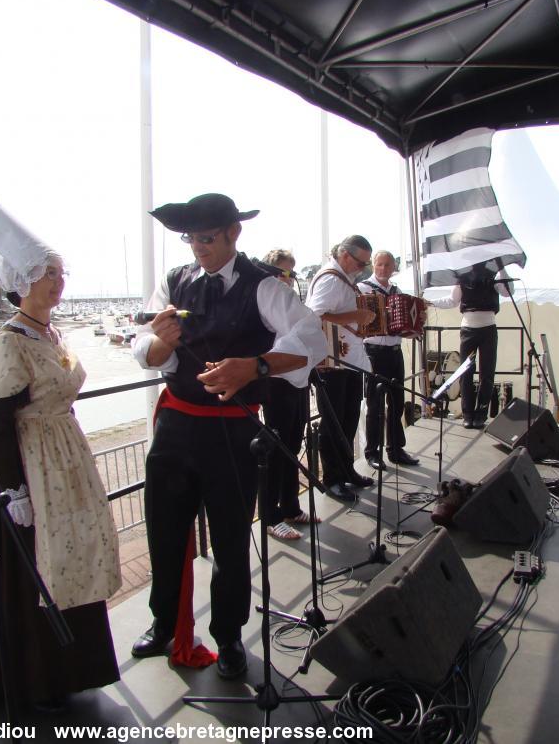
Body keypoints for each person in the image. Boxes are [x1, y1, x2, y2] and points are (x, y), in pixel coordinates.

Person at [129, 193, 326, 679]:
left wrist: (255, 366)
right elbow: (146, 353)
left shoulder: (264, 286)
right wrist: (160, 344)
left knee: (232, 538)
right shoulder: (174, 282)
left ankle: (229, 635)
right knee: (165, 529)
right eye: (191, 238)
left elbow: (313, 340)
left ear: (233, 233)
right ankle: (163, 621)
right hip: (176, 424)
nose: (198, 248)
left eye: (207, 238)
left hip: (234, 427)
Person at [0, 188, 121, 710]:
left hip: (63, 461)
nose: (57, 283)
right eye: (47, 274)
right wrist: (10, 490)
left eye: (59, 273)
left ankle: (73, 670)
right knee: (36, 565)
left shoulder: (49, 334)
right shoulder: (6, 343)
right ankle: (34, 680)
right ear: (20, 283)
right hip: (31, 471)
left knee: (73, 559)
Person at [305, 235, 377, 502]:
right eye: (360, 263)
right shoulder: (330, 280)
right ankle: (332, 479)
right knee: (333, 422)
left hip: (348, 361)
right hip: (332, 363)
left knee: (347, 418)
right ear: (345, 255)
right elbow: (314, 315)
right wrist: (355, 317)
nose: (362, 269)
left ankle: (346, 470)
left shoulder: (343, 280)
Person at [257, 249, 321, 541]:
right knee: (276, 449)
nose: (288, 278)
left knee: (293, 446)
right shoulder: (264, 304)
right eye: (283, 272)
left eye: (291, 273)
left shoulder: (290, 305)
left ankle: (291, 507)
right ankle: (270, 517)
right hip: (276, 384)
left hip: (297, 382)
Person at [357, 250, 419, 471]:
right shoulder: (363, 289)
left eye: (387, 265)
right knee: (374, 404)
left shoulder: (397, 291)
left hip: (394, 351)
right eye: (379, 265)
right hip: (373, 352)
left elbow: (403, 323)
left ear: (394, 267)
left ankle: (395, 449)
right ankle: (372, 452)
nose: (383, 269)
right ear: (373, 265)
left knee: (397, 402)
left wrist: (413, 327)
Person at [431, 262, 512, 429]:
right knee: (466, 372)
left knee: (487, 373)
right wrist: (430, 302)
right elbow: (452, 300)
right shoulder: (463, 276)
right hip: (468, 329)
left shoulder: (494, 274)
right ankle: (467, 414)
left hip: (488, 328)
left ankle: (481, 414)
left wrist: (502, 267)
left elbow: (508, 291)